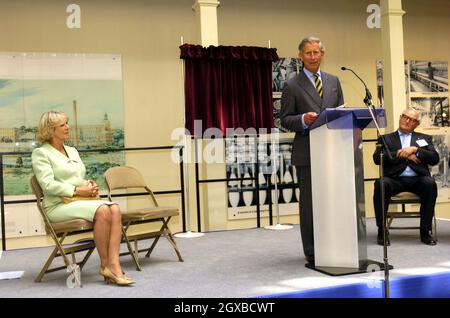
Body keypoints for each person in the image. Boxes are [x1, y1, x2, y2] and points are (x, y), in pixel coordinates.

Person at [32, 110, 134, 285]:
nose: (68, 127)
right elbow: (47, 185)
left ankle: (113, 264)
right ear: (50, 130)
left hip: (78, 201)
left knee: (114, 209)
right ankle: (105, 266)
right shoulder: (41, 153)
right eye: (62, 125)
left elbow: (77, 177)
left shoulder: (72, 150)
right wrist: (79, 190)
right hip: (57, 206)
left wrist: (89, 184)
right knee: (103, 210)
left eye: (67, 123)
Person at [280, 36, 344, 264]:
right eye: (308, 53)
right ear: (300, 55)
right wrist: (304, 119)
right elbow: (285, 120)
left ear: (322, 55)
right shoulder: (291, 84)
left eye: (317, 52)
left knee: (333, 200)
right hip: (307, 153)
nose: (313, 57)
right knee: (310, 204)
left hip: (335, 153)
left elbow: (342, 113)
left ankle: (334, 243)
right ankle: (312, 250)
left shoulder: (334, 81)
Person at [373, 107, 439, 246]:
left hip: (418, 179)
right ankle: (382, 230)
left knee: (430, 184)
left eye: (412, 120)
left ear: (416, 124)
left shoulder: (424, 139)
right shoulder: (386, 138)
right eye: (405, 117)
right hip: (394, 179)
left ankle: (425, 231)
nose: (407, 121)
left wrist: (416, 150)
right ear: (400, 117)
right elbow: (377, 158)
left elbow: (434, 158)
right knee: (380, 184)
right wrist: (401, 153)